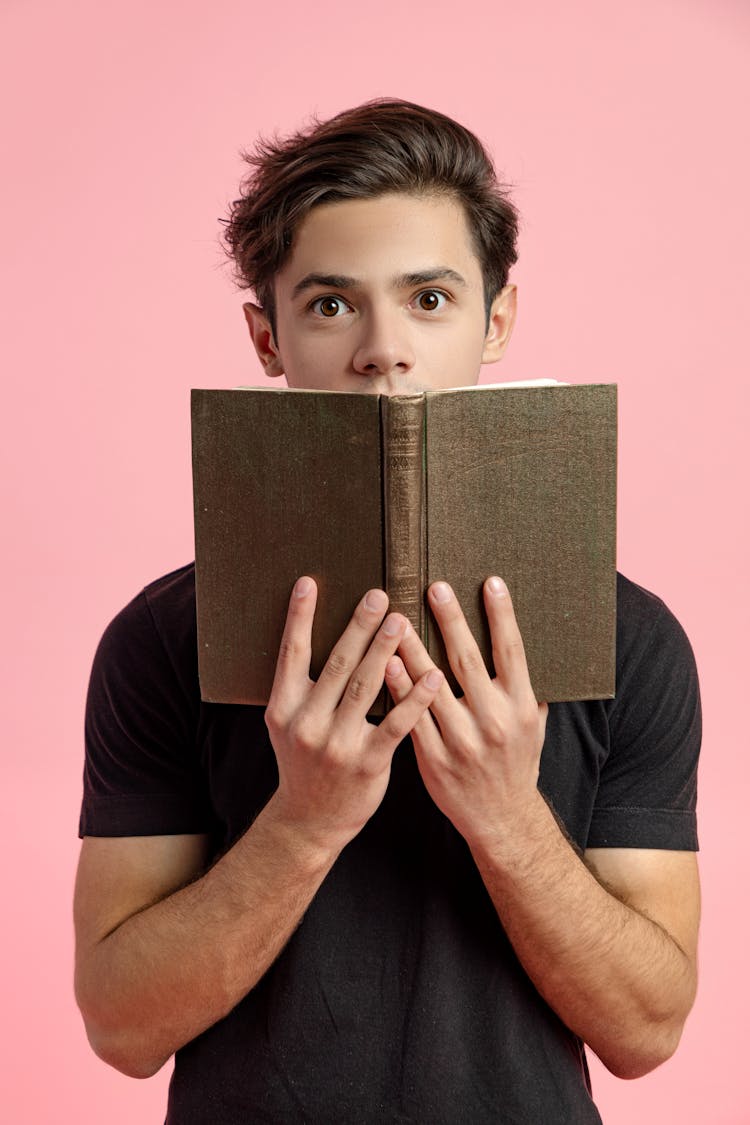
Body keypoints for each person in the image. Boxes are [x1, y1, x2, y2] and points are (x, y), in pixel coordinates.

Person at [74, 99, 701, 1124]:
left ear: (495, 321)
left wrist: (506, 816)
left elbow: (646, 1032)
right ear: (266, 338)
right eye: (330, 305)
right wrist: (303, 824)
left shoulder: (633, 640)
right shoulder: (160, 640)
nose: (383, 350)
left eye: (430, 298)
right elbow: (121, 1029)